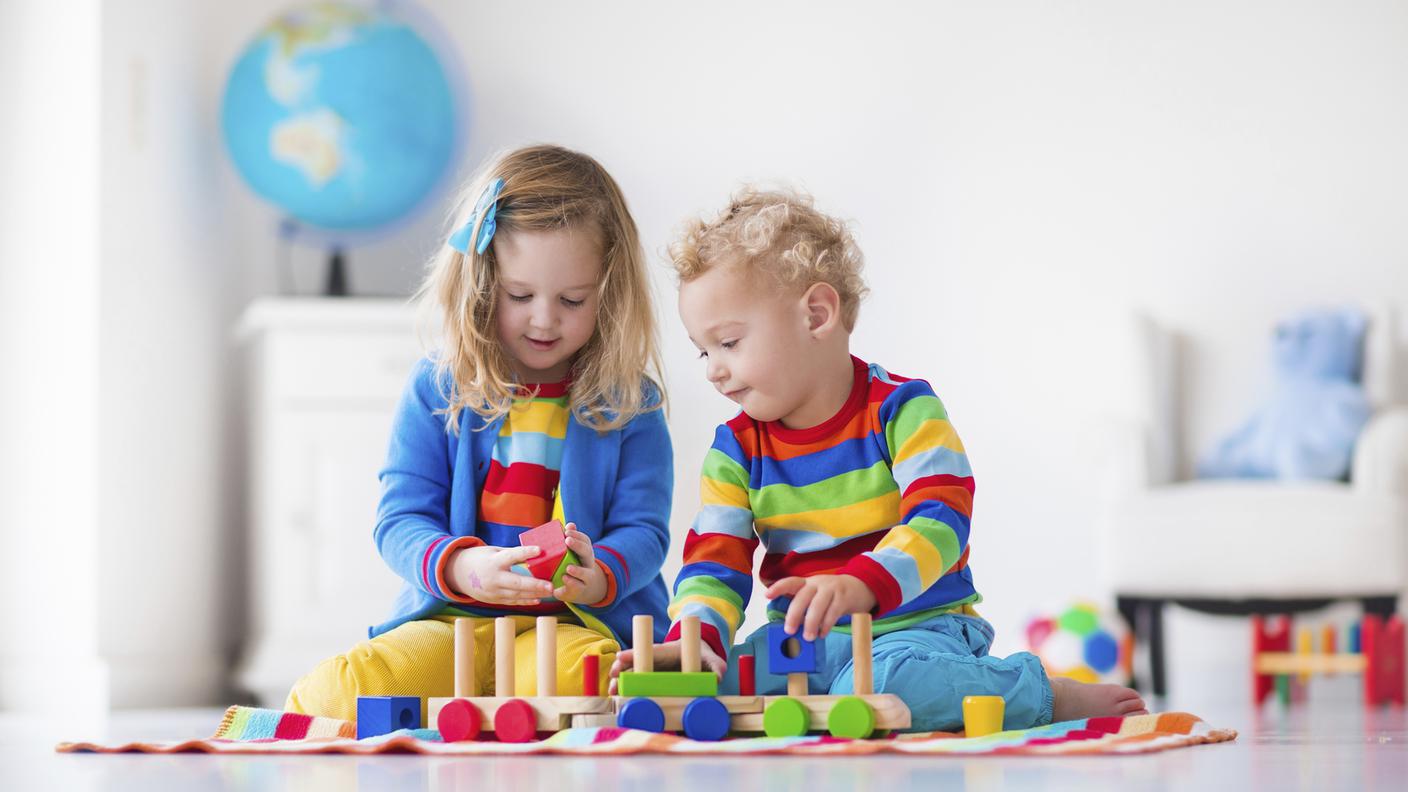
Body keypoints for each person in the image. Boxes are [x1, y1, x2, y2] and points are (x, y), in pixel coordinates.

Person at [610, 187, 1145, 731]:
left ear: (816, 315)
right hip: (804, 645)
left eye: (729, 343)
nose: (714, 371)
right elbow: (713, 561)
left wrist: (863, 583)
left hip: (914, 628)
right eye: (704, 351)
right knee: (698, 681)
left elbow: (942, 517)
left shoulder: (901, 409)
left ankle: (1035, 693)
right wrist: (698, 637)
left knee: (887, 684)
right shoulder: (735, 450)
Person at [287, 145, 673, 721]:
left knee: (594, 683)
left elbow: (644, 529)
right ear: (482, 283)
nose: (544, 319)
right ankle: (499, 706)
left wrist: (599, 578)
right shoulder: (438, 387)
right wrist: (461, 569)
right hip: (454, 622)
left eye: (572, 300)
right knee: (337, 696)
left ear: (608, 294)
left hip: (571, 625)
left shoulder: (630, 402)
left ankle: (526, 708)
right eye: (520, 296)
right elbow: (400, 520)